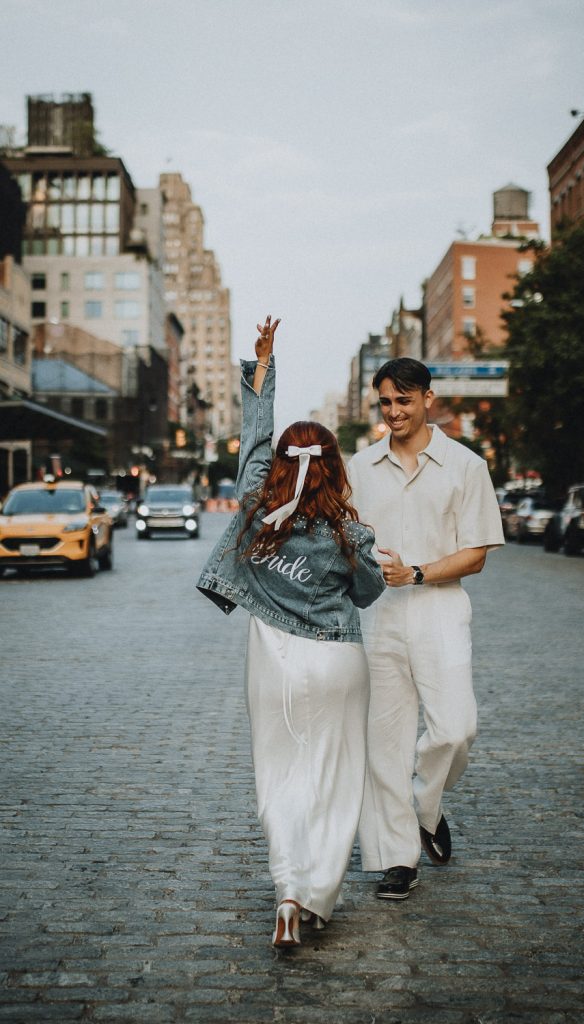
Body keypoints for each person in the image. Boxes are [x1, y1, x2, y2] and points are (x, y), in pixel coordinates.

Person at [196, 316, 386, 946]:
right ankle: (317, 894)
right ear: (333, 468)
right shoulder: (348, 533)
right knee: (333, 779)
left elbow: (254, 441)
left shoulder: (256, 507)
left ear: (282, 465)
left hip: (273, 661)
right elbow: (367, 591)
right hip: (337, 661)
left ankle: (286, 889)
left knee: (278, 775)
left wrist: (263, 368)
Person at [347, 357, 504, 900]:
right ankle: (397, 860)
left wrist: (415, 572)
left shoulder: (466, 466)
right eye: (385, 402)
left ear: (428, 399)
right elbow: (342, 538)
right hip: (379, 615)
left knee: (455, 728)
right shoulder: (359, 467)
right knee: (385, 741)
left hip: (439, 608)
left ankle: (427, 807)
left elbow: (478, 554)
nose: (393, 411)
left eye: (404, 401)